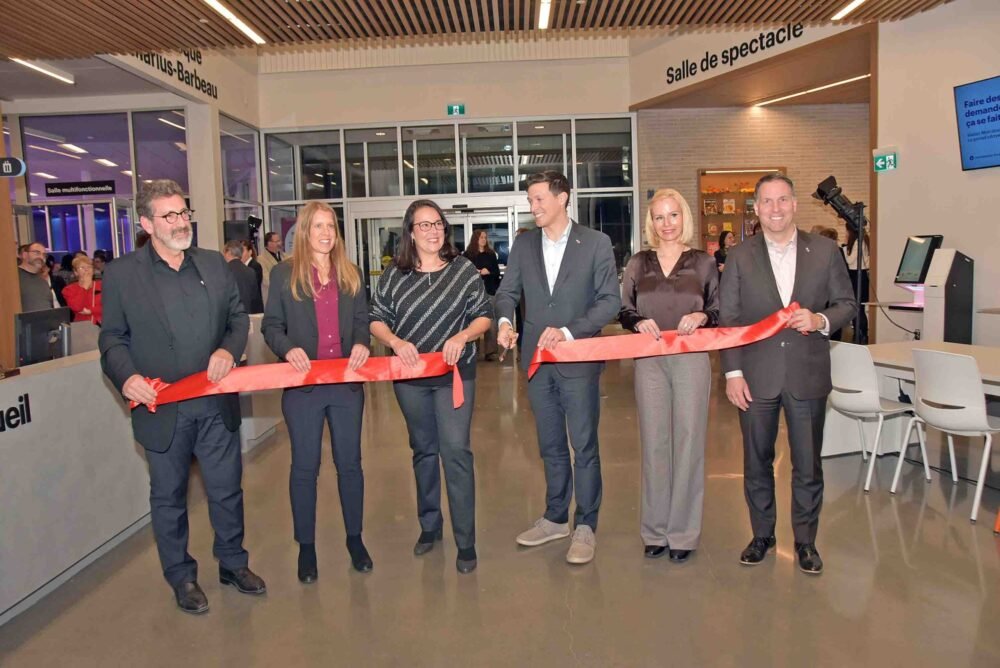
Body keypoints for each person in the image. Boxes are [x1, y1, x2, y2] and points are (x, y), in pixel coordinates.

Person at [98, 179, 265, 615]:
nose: (180, 222)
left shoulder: (213, 264)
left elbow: (237, 319)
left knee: (226, 490)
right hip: (162, 409)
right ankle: (182, 576)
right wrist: (127, 377)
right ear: (146, 223)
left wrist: (229, 350)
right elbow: (112, 338)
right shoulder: (122, 274)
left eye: (183, 212)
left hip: (215, 406)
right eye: (169, 215)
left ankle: (232, 563)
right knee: (169, 498)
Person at [720, 174, 855, 575]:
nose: (775, 209)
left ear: (795, 204)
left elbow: (848, 303)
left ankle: (806, 541)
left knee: (808, 464)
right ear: (756, 209)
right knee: (756, 461)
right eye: (766, 202)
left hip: (807, 373)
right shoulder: (741, 257)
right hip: (756, 376)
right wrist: (733, 373)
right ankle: (762, 535)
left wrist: (819, 319)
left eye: (782, 200)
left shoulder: (826, 252)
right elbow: (729, 319)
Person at [495, 171, 621, 565]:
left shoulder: (596, 243)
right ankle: (555, 517)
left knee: (583, 444)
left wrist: (567, 331)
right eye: (530, 201)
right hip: (536, 361)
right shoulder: (524, 245)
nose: (533, 207)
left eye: (538, 199)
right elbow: (507, 292)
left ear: (563, 197)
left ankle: (585, 524)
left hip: (577, 359)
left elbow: (608, 302)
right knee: (549, 445)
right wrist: (504, 322)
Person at [369, 199, 492, 574]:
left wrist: (464, 335)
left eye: (437, 223)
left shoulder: (463, 270)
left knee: (455, 451)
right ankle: (429, 525)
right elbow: (376, 319)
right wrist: (396, 342)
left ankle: (466, 541)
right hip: (411, 379)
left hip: (455, 376)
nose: (433, 230)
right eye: (424, 225)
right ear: (410, 232)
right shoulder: (395, 275)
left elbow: (484, 316)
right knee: (423, 450)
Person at [262, 202, 373, 582]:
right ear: (305, 231)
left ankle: (355, 539)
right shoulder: (283, 275)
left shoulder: (350, 274)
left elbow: (362, 321)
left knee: (350, 464)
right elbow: (271, 326)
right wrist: (286, 347)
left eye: (331, 226)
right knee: (305, 467)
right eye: (319, 226)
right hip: (303, 386)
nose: (326, 233)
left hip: (345, 384)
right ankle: (306, 547)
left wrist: (362, 343)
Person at [619, 188, 718, 564]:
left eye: (673, 215)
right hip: (650, 359)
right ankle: (655, 530)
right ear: (651, 222)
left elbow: (718, 307)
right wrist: (638, 321)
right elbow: (624, 308)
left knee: (689, 441)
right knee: (655, 442)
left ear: (684, 217)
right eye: (659, 217)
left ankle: (683, 533)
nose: (667, 224)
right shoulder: (638, 263)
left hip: (691, 357)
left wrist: (702, 317)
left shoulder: (704, 263)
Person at [463, 229, 501, 361]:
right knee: (473, 321)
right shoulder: (468, 255)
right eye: (481, 237)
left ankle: (491, 351)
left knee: (491, 321)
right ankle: (474, 350)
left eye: (485, 237)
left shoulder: (491, 254)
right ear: (475, 239)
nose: (484, 240)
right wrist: (475, 272)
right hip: (473, 294)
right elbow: (463, 275)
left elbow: (497, 273)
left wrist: (488, 272)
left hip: (489, 291)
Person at [843, 227, 870, 343]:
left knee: (857, 308)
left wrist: (843, 249)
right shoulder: (865, 240)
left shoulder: (858, 242)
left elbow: (849, 261)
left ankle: (860, 334)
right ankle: (861, 333)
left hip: (856, 276)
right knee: (860, 308)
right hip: (862, 275)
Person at [223, 239, 264, 314]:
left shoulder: (224, 271)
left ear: (228, 252)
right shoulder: (250, 271)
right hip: (249, 314)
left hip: (232, 316)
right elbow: (255, 298)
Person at [62, 255, 102, 324]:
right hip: (82, 327)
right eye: (82, 267)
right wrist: (85, 286)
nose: (86, 269)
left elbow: (110, 306)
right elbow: (77, 308)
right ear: (76, 272)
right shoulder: (68, 289)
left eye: (89, 267)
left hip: (103, 326)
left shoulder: (103, 285)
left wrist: (91, 310)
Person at [18, 242, 54, 312]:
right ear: (25, 255)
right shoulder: (14, 278)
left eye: (44, 255)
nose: (41, 257)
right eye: (37, 253)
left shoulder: (43, 281)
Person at [257, 231, 283, 301]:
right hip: (271, 298)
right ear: (269, 243)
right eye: (277, 241)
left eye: (280, 241)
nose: (280, 243)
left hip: (285, 298)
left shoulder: (286, 257)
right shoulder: (261, 259)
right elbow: (266, 280)